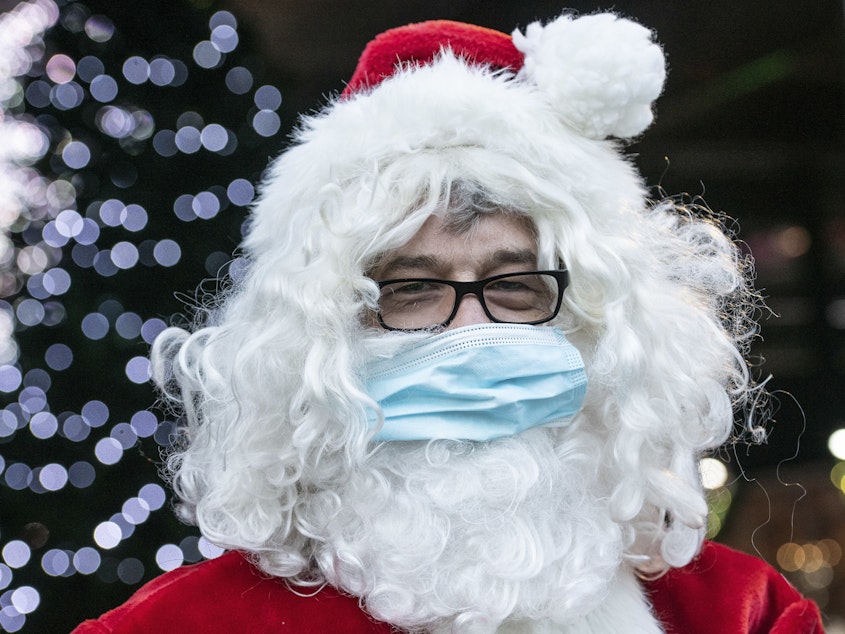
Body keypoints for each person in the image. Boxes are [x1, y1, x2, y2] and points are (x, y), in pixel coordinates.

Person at [74, 10, 825, 634]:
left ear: (603, 323)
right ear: (325, 336)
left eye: (514, 283)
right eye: (410, 288)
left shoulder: (740, 614)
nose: (469, 328)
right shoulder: (182, 627)